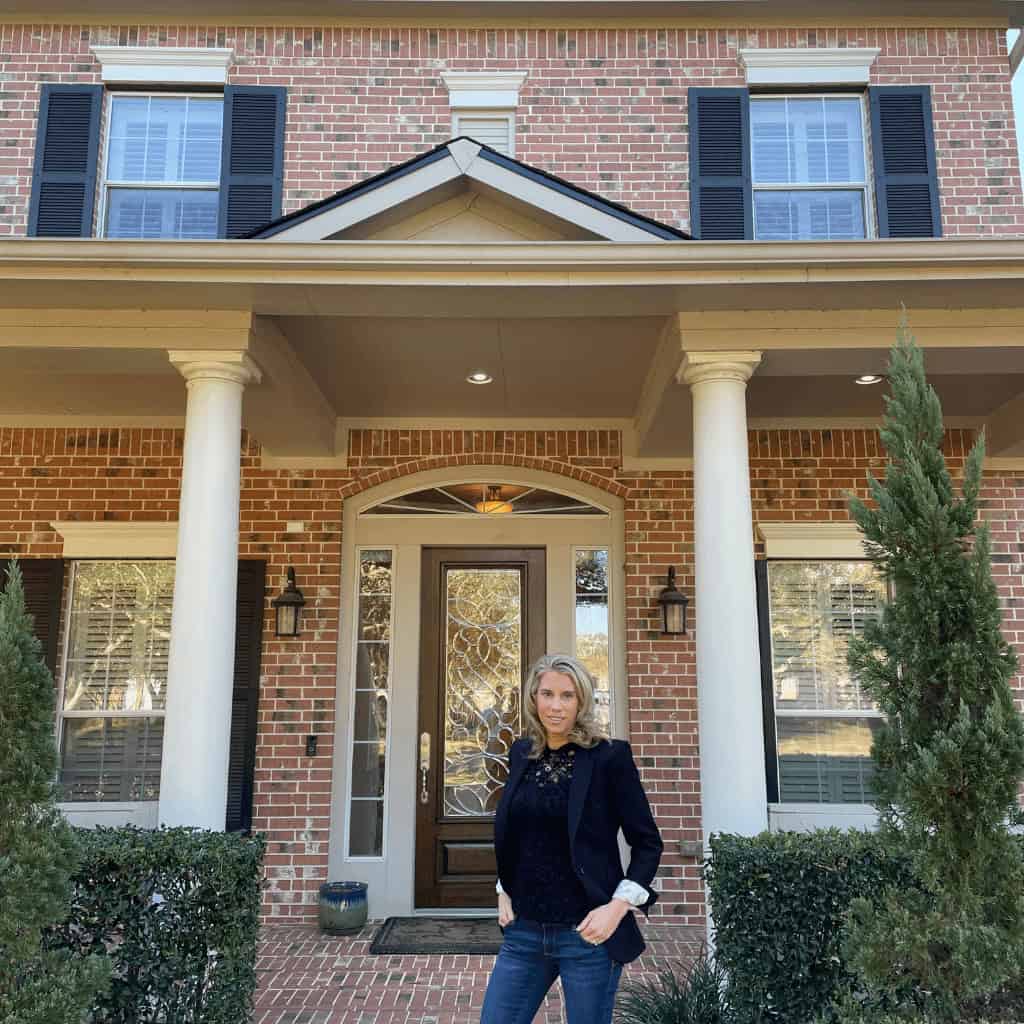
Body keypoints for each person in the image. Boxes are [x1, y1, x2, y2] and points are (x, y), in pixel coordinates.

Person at [480, 653, 664, 1024]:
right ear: (534, 698)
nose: (556, 706)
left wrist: (617, 908)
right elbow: (515, 831)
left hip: (588, 935)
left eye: (567, 696)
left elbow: (647, 844)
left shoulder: (609, 758)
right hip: (525, 932)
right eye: (547, 694)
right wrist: (503, 887)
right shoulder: (521, 753)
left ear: (582, 701)